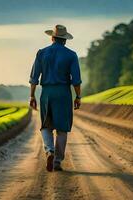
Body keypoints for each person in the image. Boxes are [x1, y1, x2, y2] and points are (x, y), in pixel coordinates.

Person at [29, 24, 82, 172]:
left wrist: (32, 95)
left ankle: (49, 151)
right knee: (62, 129)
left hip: (46, 92)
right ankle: (57, 161)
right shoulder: (71, 55)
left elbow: (34, 78)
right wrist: (78, 96)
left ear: (52, 38)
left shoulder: (41, 53)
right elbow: (76, 80)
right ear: (65, 40)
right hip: (64, 93)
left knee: (46, 125)